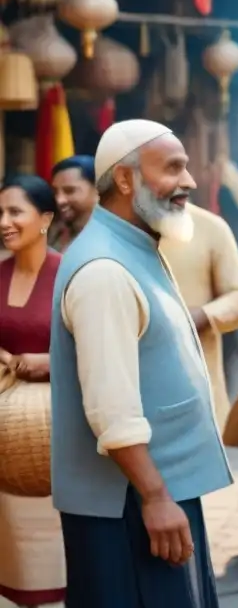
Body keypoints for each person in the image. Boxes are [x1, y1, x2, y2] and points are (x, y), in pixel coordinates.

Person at [49, 119, 232, 606]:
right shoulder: (105, 270)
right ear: (126, 180)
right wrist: (154, 497)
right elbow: (111, 406)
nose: (189, 181)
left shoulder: (134, 247)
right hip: (130, 501)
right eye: (173, 168)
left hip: (155, 490)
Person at [0, 175, 65, 607]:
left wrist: (52, 363)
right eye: (0, 213)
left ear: (44, 219)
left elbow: (94, 350)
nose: (4, 222)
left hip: (55, 431)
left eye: (15, 212)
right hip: (5, 428)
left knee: (57, 533)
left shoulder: (71, 275)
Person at [160, 203, 238, 429]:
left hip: (197, 382)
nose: (185, 181)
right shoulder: (117, 227)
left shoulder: (210, 227)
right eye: (170, 169)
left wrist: (202, 316)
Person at [48, 155, 98, 253]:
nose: (59, 200)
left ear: (97, 190)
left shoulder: (111, 240)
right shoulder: (54, 235)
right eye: (55, 192)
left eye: (69, 191)